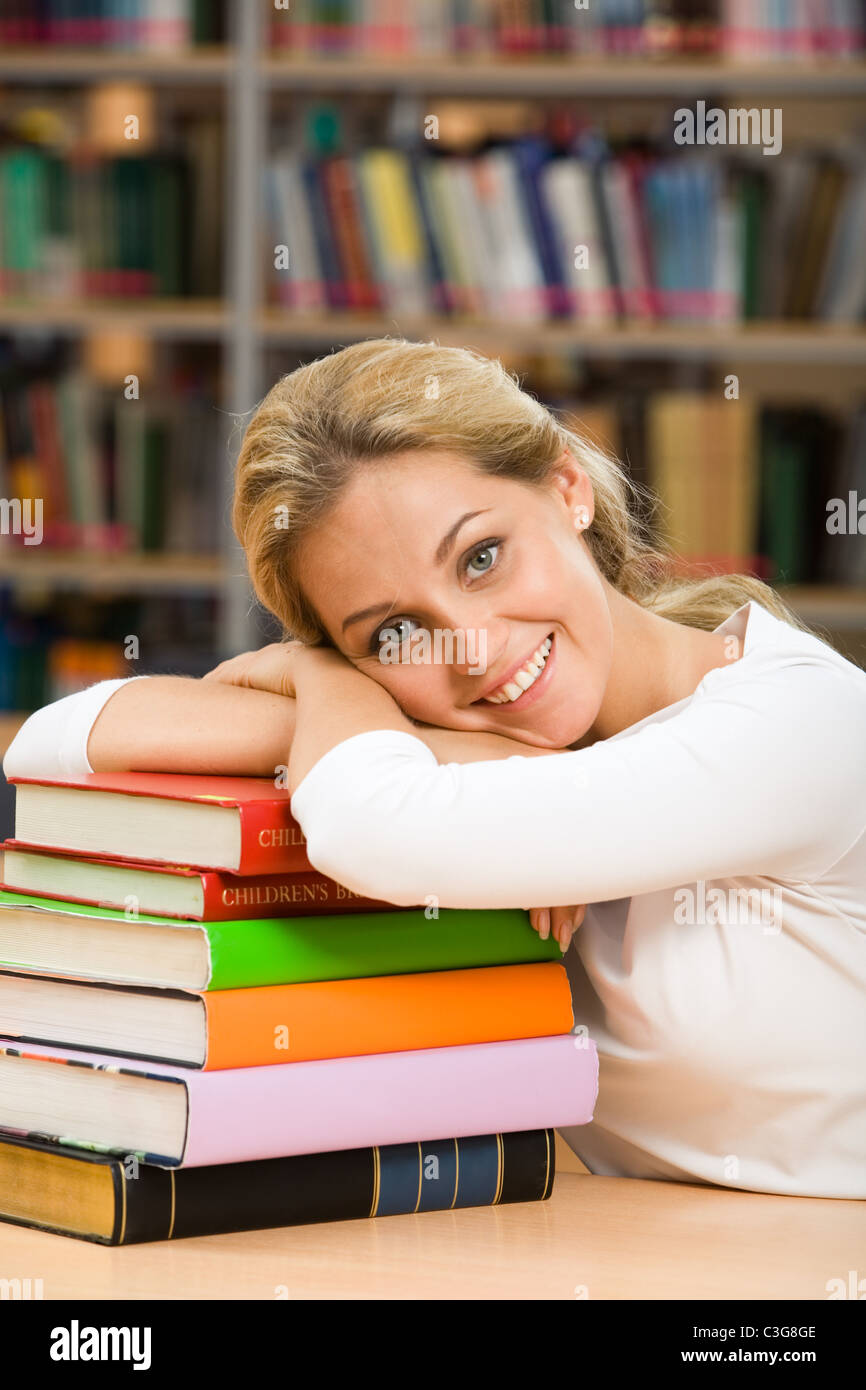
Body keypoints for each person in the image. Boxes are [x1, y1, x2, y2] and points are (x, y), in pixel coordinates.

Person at [6, 339, 865, 1198]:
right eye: (394, 633)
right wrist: (341, 692)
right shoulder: (443, 752)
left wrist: (326, 688)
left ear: (567, 489)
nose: (476, 650)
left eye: (482, 557)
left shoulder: (799, 726)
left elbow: (369, 825)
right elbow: (52, 741)